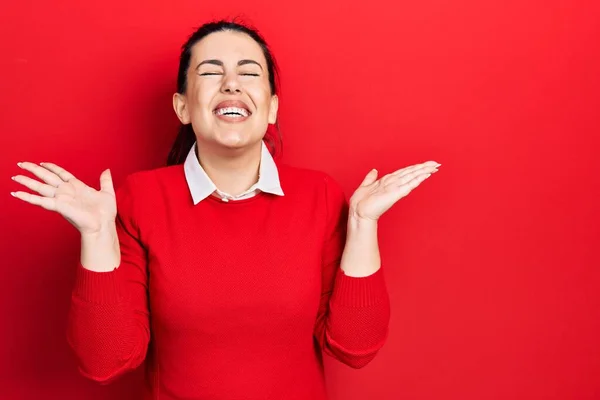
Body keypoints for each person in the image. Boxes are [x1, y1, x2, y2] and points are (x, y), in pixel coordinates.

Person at [10, 19, 440, 400]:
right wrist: (96, 234)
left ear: (270, 107)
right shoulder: (138, 199)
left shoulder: (321, 196)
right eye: (211, 72)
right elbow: (106, 363)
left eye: (249, 73)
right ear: (182, 106)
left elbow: (354, 347)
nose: (231, 84)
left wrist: (363, 223)